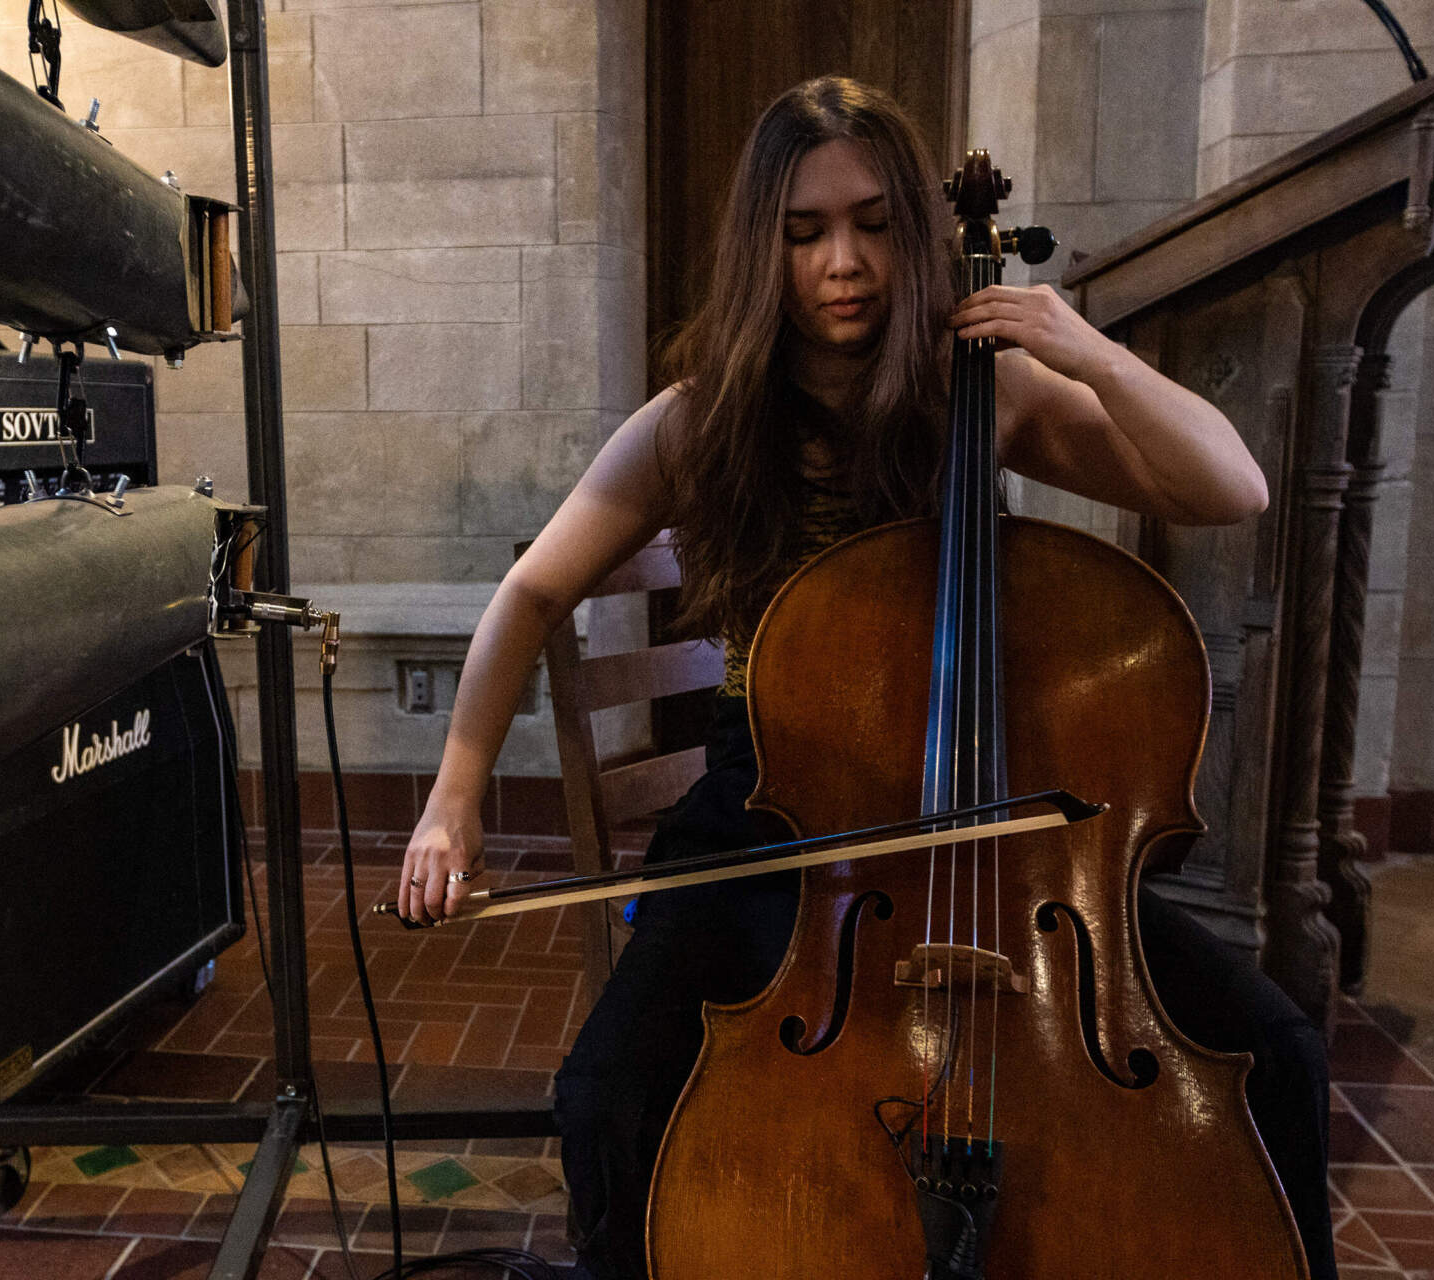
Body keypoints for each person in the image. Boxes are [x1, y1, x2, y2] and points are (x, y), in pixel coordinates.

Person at [397, 76, 1333, 1280]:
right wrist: (453, 793)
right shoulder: (702, 420)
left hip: (993, 837)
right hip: (769, 806)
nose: (847, 260)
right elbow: (531, 593)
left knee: (1280, 1056)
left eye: (879, 223)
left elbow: (1233, 487)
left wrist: (1080, 342)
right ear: (762, 250)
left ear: (924, 235)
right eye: (806, 232)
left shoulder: (977, 398)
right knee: (604, 1096)